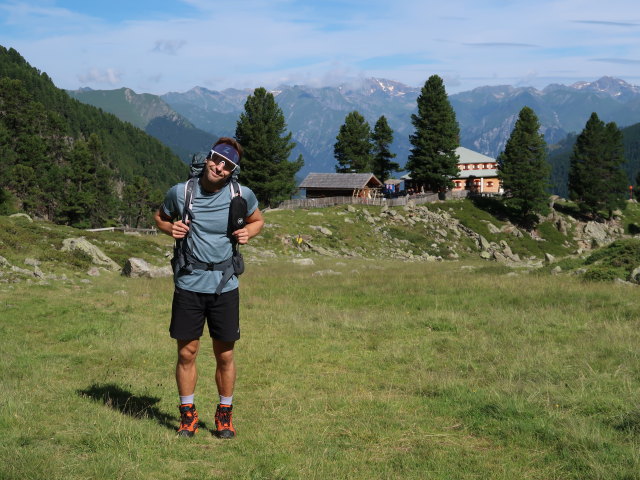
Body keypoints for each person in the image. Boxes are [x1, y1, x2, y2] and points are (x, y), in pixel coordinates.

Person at [154, 137, 264, 438]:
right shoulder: (182, 192)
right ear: (207, 159)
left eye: (227, 165)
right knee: (187, 353)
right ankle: (187, 416)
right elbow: (160, 218)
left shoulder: (242, 194)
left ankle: (224, 415)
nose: (219, 167)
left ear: (233, 170)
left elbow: (257, 220)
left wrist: (248, 232)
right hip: (189, 283)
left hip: (225, 285)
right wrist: (170, 227)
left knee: (225, 355)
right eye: (216, 160)